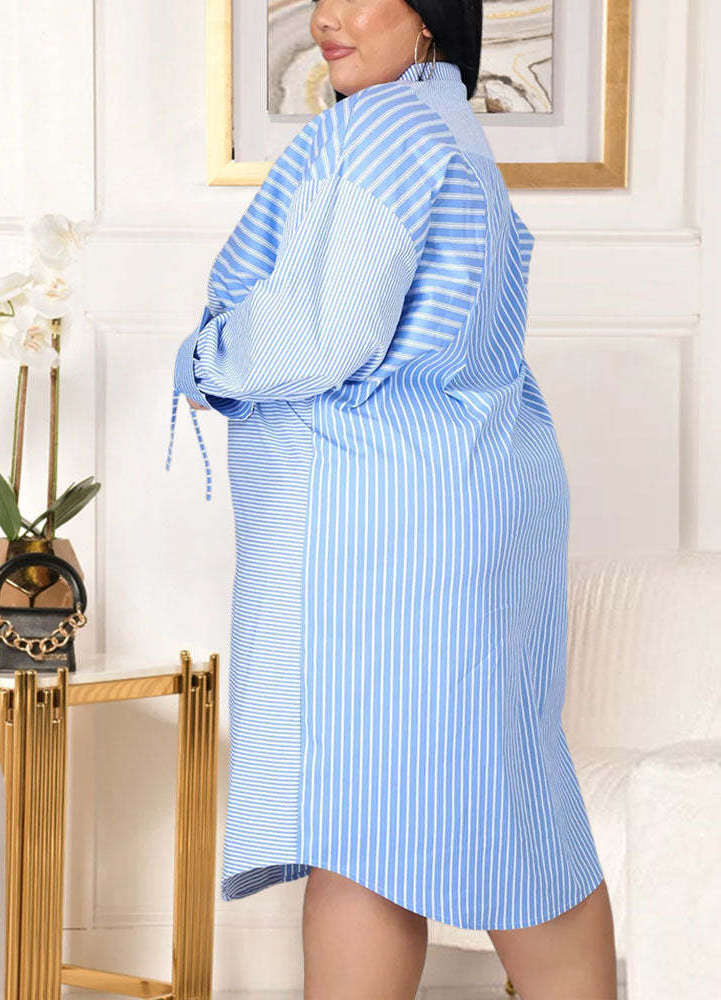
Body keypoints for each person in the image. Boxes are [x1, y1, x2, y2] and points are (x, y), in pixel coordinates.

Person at [166, 1, 619, 997]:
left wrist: (206, 357)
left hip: (375, 528)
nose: (327, 16)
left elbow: (320, 334)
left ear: (431, 16)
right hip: (471, 500)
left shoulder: (378, 130)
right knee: (501, 808)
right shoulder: (446, 126)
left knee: (368, 821)